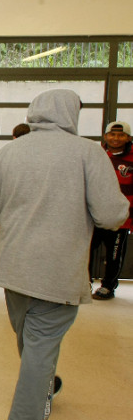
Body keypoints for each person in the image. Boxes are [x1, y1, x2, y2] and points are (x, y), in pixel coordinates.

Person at [0, 89, 128, 420]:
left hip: (14, 267)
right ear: (70, 114)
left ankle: (43, 384)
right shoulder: (88, 153)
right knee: (40, 348)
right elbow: (111, 214)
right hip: (57, 271)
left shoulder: (11, 151)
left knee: (32, 341)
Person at [88, 121, 133, 300]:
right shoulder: (98, 155)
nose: (116, 138)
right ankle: (84, 283)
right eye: (112, 135)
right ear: (106, 137)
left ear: (128, 138)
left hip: (121, 219)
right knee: (86, 251)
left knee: (114, 256)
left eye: (121, 135)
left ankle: (108, 287)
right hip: (95, 215)